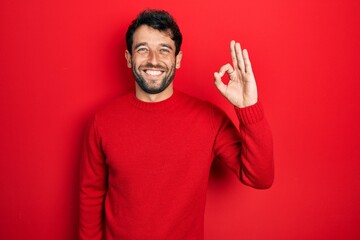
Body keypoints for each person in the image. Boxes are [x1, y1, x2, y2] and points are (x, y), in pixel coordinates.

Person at [80, 9, 274, 240]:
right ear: (129, 57)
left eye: (164, 50)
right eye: (142, 49)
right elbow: (90, 197)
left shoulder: (207, 118)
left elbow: (260, 177)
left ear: (178, 59)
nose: (153, 59)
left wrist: (248, 107)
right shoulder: (102, 121)